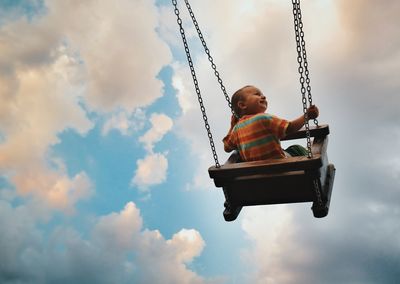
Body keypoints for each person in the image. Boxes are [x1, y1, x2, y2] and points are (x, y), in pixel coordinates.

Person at [223, 85, 319, 162]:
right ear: (242, 105)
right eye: (257, 94)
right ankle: (306, 150)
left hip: (253, 176)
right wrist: (306, 116)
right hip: (280, 169)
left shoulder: (236, 130)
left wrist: (232, 126)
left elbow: (227, 147)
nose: (264, 96)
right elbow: (290, 128)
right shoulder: (263, 118)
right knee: (295, 149)